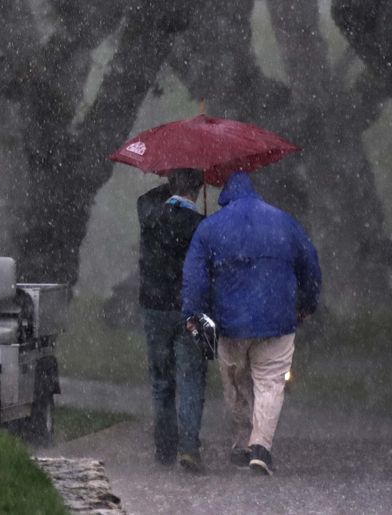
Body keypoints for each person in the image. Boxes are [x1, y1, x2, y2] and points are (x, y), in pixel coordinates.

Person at [182, 171, 322, 476]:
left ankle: (243, 442)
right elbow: (310, 264)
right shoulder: (284, 222)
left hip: (230, 324)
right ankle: (261, 447)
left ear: (225, 196)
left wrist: (193, 314)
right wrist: (307, 305)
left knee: (235, 382)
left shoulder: (209, 228)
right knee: (270, 383)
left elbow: (194, 279)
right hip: (277, 320)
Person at [136, 167, 208, 472]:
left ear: (170, 185)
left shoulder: (150, 217)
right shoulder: (201, 226)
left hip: (154, 309)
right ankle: (188, 449)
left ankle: (164, 448)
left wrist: (169, 185)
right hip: (189, 310)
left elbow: (144, 197)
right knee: (191, 378)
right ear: (199, 189)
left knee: (161, 381)